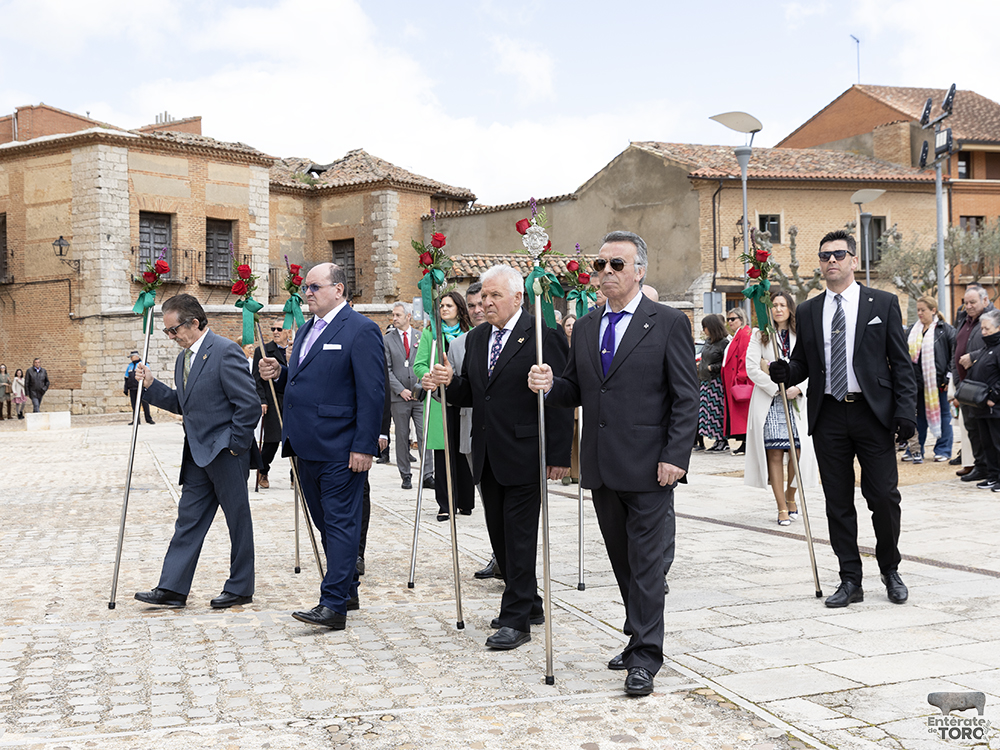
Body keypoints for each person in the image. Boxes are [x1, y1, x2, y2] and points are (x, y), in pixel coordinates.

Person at [528, 230, 699, 697]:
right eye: (599, 266)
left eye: (616, 265)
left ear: (640, 270)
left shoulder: (665, 322)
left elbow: (686, 396)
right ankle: (638, 633)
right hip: (602, 468)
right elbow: (575, 390)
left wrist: (675, 456)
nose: (605, 273)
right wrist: (547, 383)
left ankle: (645, 656)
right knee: (624, 563)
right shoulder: (585, 326)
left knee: (646, 565)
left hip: (650, 466)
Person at [427, 264, 572, 651]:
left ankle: (516, 619)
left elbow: (558, 399)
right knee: (501, 538)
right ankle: (531, 602)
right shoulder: (477, 340)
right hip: (488, 452)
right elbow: (474, 393)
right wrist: (446, 385)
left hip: (527, 451)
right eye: (482, 298)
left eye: (494, 296)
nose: (485, 304)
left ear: (518, 298)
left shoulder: (543, 337)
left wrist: (558, 454)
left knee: (519, 538)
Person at [769, 230, 916, 608]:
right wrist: (786, 370)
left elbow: (900, 363)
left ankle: (890, 568)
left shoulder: (882, 303)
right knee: (837, 501)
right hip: (829, 413)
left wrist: (905, 411)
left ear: (853, 260)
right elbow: (804, 362)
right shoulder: (808, 310)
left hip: (872, 413)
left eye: (838, 254)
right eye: (824, 256)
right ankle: (850, 578)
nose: (831, 261)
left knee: (883, 496)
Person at [259, 262, 384, 630]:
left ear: (339, 290)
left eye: (314, 287)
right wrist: (280, 375)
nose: (307, 293)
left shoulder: (361, 330)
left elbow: (372, 392)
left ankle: (332, 605)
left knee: (341, 524)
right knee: (326, 525)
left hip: (341, 447)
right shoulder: (307, 330)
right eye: (305, 288)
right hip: (304, 446)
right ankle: (347, 590)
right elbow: (302, 386)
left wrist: (364, 446)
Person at [133, 294, 260, 609]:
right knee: (188, 520)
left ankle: (240, 586)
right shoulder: (182, 360)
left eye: (173, 330)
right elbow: (182, 404)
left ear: (193, 322)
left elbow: (249, 405)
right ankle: (173, 588)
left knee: (237, 520)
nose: (171, 337)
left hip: (225, 453)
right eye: (167, 332)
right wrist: (151, 385)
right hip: (196, 455)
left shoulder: (225, 351)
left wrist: (234, 445)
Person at [744, 291, 818, 526]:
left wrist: (798, 387)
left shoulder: (802, 333)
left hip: (796, 400)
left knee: (798, 453)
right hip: (771, 400)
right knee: (775, 453)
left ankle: (791, 495)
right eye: (774, 305)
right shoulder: (760, 335)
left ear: (790, 308)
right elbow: (752, 368)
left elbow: (813, 366)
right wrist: (775, 387)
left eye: (782, 305)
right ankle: (781, 507)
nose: (777, 309)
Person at [414, 291, 476, 521]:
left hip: (465, 398)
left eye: (449, 305)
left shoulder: (470, 333)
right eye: (441, 306)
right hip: (441, 399)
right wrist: (430, 376)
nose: (444, 309)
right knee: (443, 454)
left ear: (459, 308)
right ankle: (445, 504)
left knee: (464, 450)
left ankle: (465, 501)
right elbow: (419, 365)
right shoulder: (431, 333)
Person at [384, 302, 433, 491]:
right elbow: (386, 370)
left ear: (408, 317)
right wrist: (400, 390)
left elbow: (425, 362)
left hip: (420, 395)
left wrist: (419, 387)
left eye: (398, 315)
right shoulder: (387, 340)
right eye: (393, 315)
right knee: (402, 435)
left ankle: (428, 474)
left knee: (424, 434)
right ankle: (405, 474)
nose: (394, 318)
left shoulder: (421, 337)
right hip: (399, 397)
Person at [903, 296, 955, 464]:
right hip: (916, 383)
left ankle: (943, 450)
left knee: (943, 415)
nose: (919, 313)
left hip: (938, 383)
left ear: (933, 310)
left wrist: (947, 378)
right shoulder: (912, 330)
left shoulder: (945, 330)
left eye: (922, 310)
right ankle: (917, 449)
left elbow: (953, 356)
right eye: (918, 310)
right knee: (918, 418)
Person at [952, 285, 994, 481]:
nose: (968, 306)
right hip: (965, 386)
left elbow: (996, 345)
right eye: (965, 302)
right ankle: (981, 466)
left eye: (972, 302)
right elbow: (956, 350)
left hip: (984, 387)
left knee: (986, 430)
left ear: (985, 301)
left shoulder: (994, 319)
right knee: (971, 429)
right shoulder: (963, 320)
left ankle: (991, 469)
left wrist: (974, 356)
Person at [964, 310, 1000, 491]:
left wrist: (993, 397)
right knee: (987, 444)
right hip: (981, 407)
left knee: (997, 443)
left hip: (994, 407)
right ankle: (993, 476)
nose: (983, 332)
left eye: (987, 329)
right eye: (982, 329)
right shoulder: (986, 348)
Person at [252, 321, 290, 489]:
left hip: (292, 400)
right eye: (273, 328)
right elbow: (256, 379)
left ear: (288, 331)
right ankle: (263, 470)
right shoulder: (263, 351)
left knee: (295, 440)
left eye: (279, 329)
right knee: (272, 440)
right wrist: (261, 400)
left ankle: (295, 476)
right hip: (272, 400)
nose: (275, 332)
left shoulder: (297, 349)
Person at [722, 307, 752, 455]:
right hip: (732, 380)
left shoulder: (745, 334)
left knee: (742, 413)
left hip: (739, 380)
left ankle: (746, 442)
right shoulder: (737, 334)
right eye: (728, 319)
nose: (730, 322)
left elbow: (744, 356)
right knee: (739, 413)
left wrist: (740, 377)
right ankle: (743, 442)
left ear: (741, 318)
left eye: (733, 319)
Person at [697, 314, 730, 452]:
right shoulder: (708, 341)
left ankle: (723, 440)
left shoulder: (724, 343)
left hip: (716, 382)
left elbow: (726, 363)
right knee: (708, 413)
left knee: (718, 412)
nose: (704, 330)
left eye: (705, 327)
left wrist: (712, 368)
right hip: (705, 381)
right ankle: (716, 439)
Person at [123, 351, 154, 425]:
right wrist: (126, 388)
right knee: (134, 405)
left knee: (145, 404)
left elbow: (147, 375)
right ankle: (136, 420)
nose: (131, 358)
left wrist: (147, 386)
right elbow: (126, 378)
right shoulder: (129, 366)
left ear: (136, 356)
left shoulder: (143, 364)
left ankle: (148, 419)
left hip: (141, 388)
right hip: (132, 388)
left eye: (132, 356)